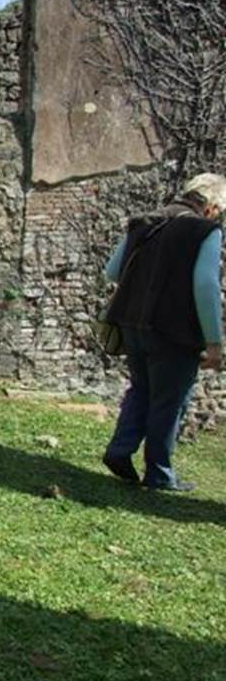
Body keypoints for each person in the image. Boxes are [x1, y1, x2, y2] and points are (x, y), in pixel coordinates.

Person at [102, 173, 224, 491]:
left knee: (141, 389)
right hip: (174, 331)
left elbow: (112, 271)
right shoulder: (204, 231)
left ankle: (119, 450)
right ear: (211, 207)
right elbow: (206, 286)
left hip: (131, 323)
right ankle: (159, 473)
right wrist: (214, 341)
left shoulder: (146, 221)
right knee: (169, 401)